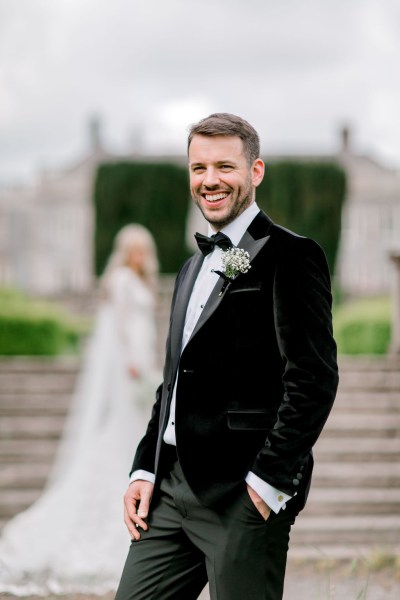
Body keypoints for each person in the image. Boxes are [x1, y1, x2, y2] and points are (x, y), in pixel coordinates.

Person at [115, 113, 339, 600]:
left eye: (224, 166)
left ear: (255, 172)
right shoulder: (189, 268)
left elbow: (314, 379)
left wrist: (267, 484)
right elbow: (173, 380)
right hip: (169, 492)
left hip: (243, 495)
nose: (210, 180)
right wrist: (145, 467)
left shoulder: (292, 257)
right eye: (198, 168)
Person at [0, 224, 159, 595]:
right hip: (128, 368)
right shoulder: (120, 280)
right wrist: (133, 363)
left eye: (142, 249)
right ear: (125, 252)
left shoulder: (138, 281)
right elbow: (117, 327)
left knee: (134, 437)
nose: (139, 256)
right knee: (119, 440)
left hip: (141, 364)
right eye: (133, 249)